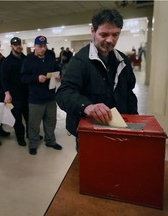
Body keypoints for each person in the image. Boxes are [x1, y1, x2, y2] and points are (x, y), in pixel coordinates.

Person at [56, 9, 138, 150]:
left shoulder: (122, 60)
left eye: (115, 34)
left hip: (119, 128)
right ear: (92, 31)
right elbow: (64, 93)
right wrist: (87, 106)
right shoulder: (80, 61)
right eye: (104, 34)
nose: (110, 40)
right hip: (89, 131)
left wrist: (134, 121)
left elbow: (129, 93)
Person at [21, 35, 62, 155]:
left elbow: (56, 68)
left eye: (44, 46)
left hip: (50, 96)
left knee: (51, 121)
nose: (43, 49)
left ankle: (51, 140)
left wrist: (58, 76)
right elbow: (23, 78)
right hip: (35, 99)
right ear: (35, 46)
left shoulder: (50, 56)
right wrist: (36, 78)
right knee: (34, 123)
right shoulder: (28, 60)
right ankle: (33, 144)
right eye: (40, 46)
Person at [1, 37, 27, 146]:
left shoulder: (26, 58)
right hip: (14, 96)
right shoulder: (7, 61)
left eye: (19, 44)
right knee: (17, 119)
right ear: (11, 46)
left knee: (29, 117)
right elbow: (3, 79)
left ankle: (31, 134)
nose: (18, 46)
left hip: (26, 94)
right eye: (15, 45)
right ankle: (20, 138)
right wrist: (7, 93)